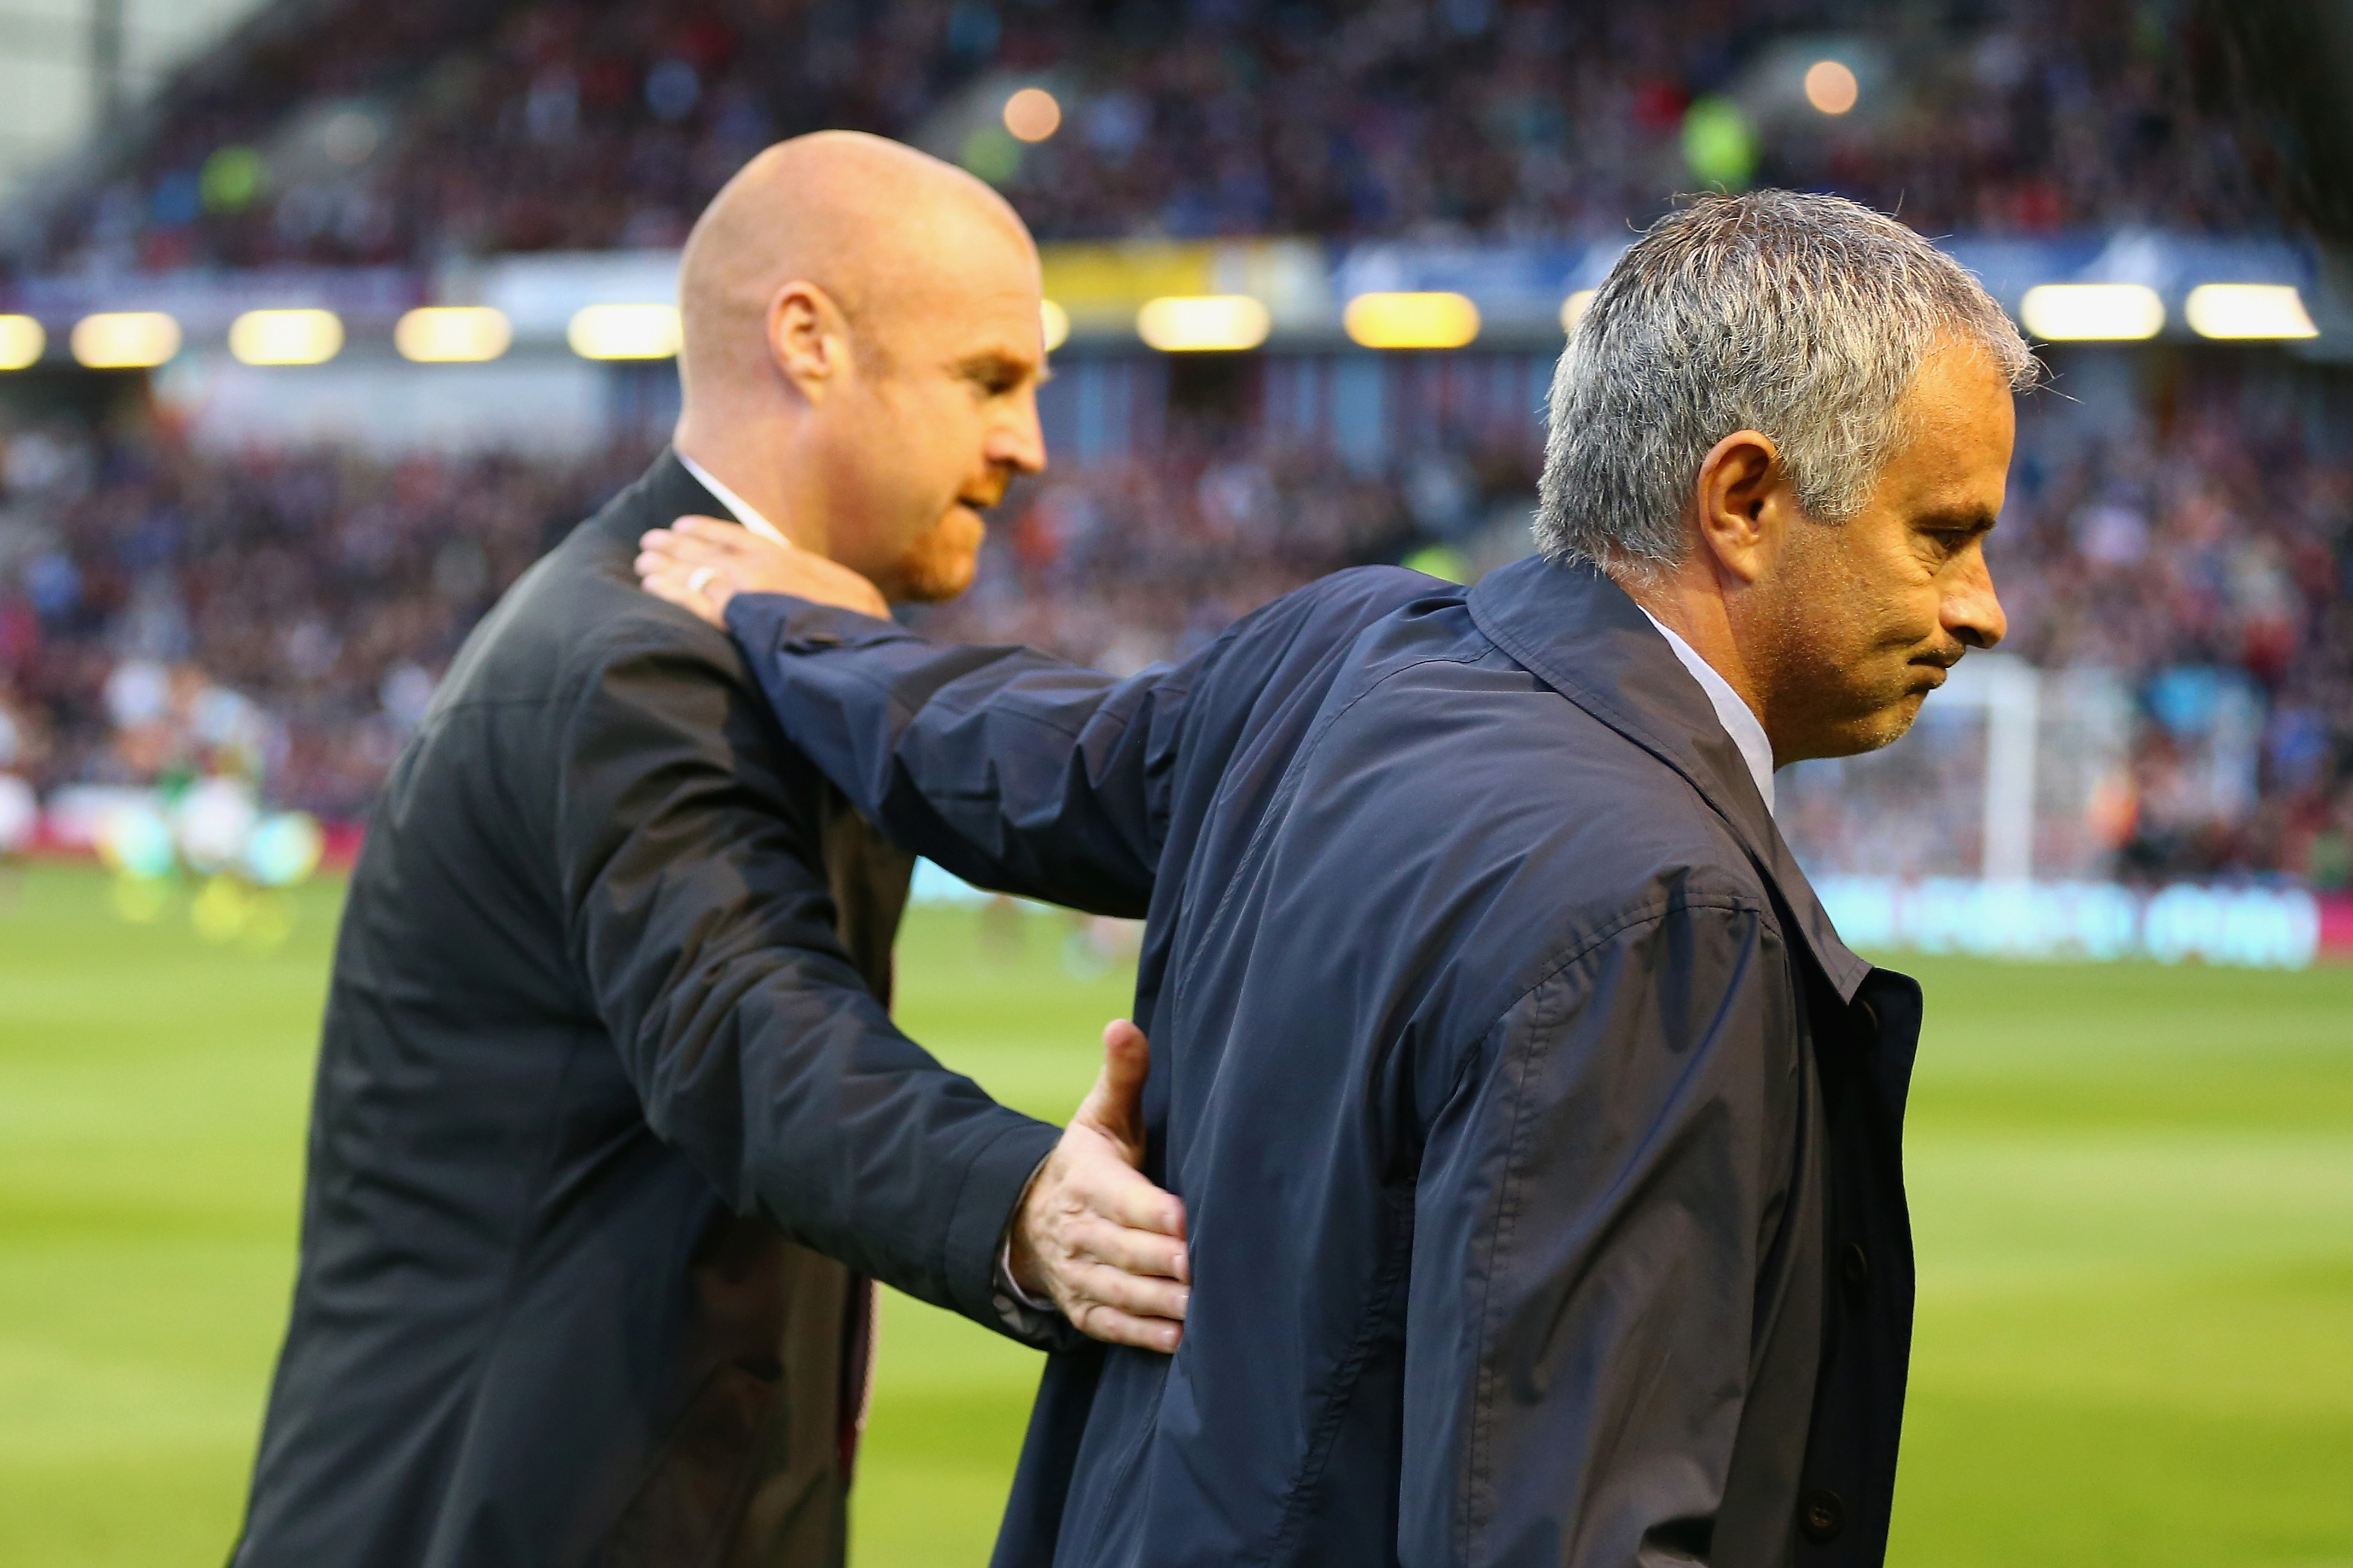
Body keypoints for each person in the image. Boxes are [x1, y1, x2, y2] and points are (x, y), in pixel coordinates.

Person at [637, 190, 2036, 1565]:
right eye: (1941, 533)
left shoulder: (1339, 650)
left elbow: (1014, 764)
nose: (1980, 608)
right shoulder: (1662, 907)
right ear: (1738, 498)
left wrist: (788, 623)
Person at [231, 132, 1189, 1568]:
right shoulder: (629, 664)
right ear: (807, 341)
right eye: (988, 380)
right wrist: (1021, 1203)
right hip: (507, 1515)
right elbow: (749, 1030)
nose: (1029, 445)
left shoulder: (754, 647)